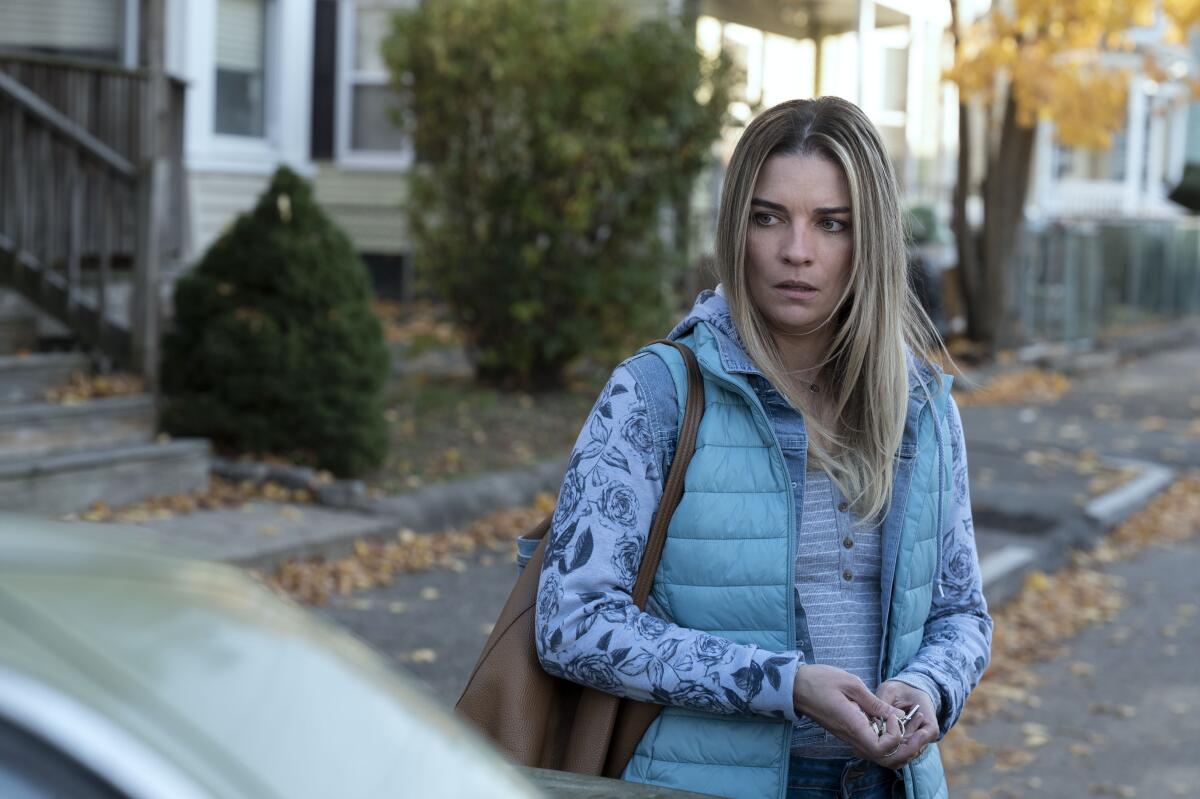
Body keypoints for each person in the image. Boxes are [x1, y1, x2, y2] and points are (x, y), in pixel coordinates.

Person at [534, 97, 992, 799]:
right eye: (767, 216)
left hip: (887, 785)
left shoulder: (922, 406)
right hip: (700, 781)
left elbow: (961, 611)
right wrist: (785, 684)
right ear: (735, 227)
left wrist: (929, 685)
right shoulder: (656, 393)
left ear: (869, 236)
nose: (796, 251)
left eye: (830, 223)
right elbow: (571, 620)